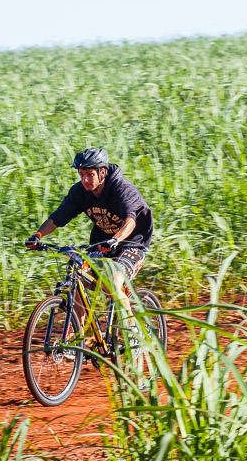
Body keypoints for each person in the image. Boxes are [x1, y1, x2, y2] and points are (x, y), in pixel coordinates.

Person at [25, 146, 154, 345]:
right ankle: (79, 340)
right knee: (78, 279)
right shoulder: (80, 192)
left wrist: (116, 239)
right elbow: (58, 217)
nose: (85, 180)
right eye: (81, 174)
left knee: (113, 282)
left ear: (102, 172)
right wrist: (38, 235)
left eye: (89, 174)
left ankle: (131, 334)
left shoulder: (121, 188)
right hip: (102, 245)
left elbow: (130, 220)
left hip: (131, 244)